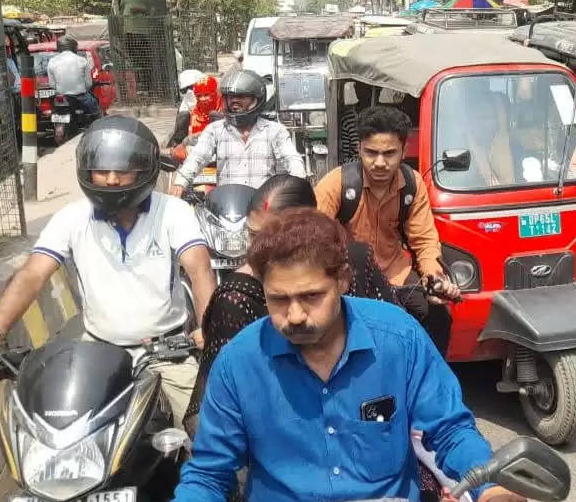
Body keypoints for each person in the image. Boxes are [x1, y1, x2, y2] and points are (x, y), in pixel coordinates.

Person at [144, 209, 531, 502]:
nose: (294, 315)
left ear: (343, 280)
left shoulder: (400, 338)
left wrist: (488, 487)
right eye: (278, 300)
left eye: (311, 296)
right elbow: (211, 472)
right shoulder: (238, 363)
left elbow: (449, 430)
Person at [0, 117, 216, 421]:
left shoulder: (172, 211)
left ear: (145, 170)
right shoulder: (71, 217)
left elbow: (199, 269)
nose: (111, 180)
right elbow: (32, 274)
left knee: (204, 434)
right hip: (97, 356)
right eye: (102, 171)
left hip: (167, 355)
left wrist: (210, 331)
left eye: (122, 171)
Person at [182, 174, 426, 435]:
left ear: (342, 281)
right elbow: (215, 414)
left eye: (312, 296)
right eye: (253, 236)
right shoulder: (236, 298)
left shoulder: (356, 264)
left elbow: (404, 367)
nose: (261, 250)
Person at [315, 106, 460, 354]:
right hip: (351, 279)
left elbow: (424, 241)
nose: (380, 162)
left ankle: (426, 380)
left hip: (398, 273)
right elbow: (313, 242)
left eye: (389, 153)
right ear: (359, 148)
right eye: (371, 152)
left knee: (439, 318)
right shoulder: (336, 183)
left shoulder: (413, 183)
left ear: (404, 151)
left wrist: (434, 278)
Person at [169, 68, 305, 192]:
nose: (234, 101)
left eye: (241, 96)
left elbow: (291, 159)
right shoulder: (215, 130)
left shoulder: (275, 131)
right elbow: (197, 157)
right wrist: (180, 183)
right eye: (230, 97)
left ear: (256, 99)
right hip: (227, 208)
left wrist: (299, 184)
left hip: (263, 209)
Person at [167, 71, 222, 160]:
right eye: (185, 90)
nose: (189, 92)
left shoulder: (223, 104)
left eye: (191, 87)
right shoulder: (186, 109)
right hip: (194, 147)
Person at [45, 36, 102, 120]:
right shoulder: (82, 60)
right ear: (74, 47)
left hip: (61, 98)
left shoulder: (52, 61)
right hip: (81, 97)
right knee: (96, 112)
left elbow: (52, 85)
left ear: (59, 48)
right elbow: (89, 84)